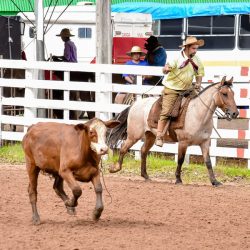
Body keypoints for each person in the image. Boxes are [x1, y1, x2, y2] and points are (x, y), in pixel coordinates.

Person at [155, 36, 205, 147]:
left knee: (200, 103)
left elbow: (200, 72)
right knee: (166, 111)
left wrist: (198, 83)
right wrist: (166, 69)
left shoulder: (196, 59)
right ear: (187, 48)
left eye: (196, 48)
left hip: (187, 88)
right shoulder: (176, 58)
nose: (195, 51)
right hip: (172, 88)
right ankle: (159, 136)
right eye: (193, 48)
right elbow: (166, 67)